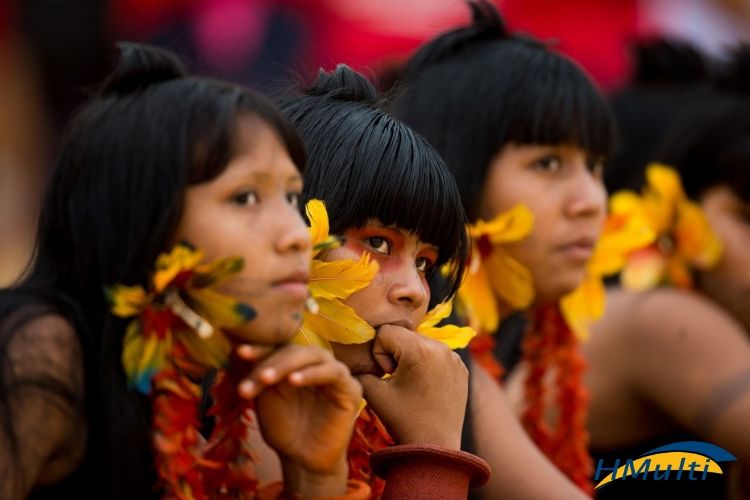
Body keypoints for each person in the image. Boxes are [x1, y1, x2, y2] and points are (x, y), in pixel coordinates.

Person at [0, 43, 404, 500]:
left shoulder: (205, 381)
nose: (297, 235)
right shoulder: (45, 350)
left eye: (292, 198)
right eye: (246, 197)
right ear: (144, 219)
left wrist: (315, 476)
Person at [279, 63, 583, 499]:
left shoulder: (446, 375)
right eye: (379, 244)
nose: (416, 291)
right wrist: (433, 451)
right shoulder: (232, 405)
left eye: (424, 263)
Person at [390, 1, 612, 496]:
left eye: (595, 167)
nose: (591, 202)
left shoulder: (521, 323)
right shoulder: (426, 325)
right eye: (549, 164)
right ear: (458, 173)